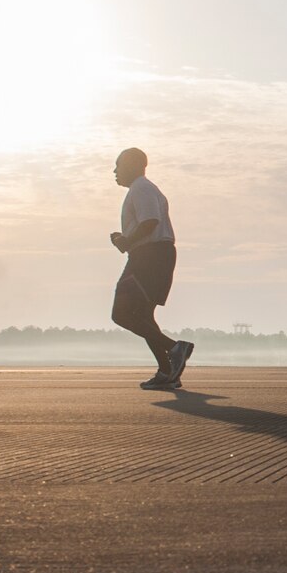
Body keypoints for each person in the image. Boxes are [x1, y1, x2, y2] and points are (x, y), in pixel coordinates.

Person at [106, 148, 193, 391]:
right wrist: (125, 239)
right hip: (154, 255)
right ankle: (167, 371)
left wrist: (127, 241)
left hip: (149, 256)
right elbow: (148, 223)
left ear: (134, 164)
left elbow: (150, 222)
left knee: (121, 313)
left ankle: (176, 348)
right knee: (143, 316)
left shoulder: (141, 188)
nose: (114, 171)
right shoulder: (144, 188)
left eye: (118, 165)